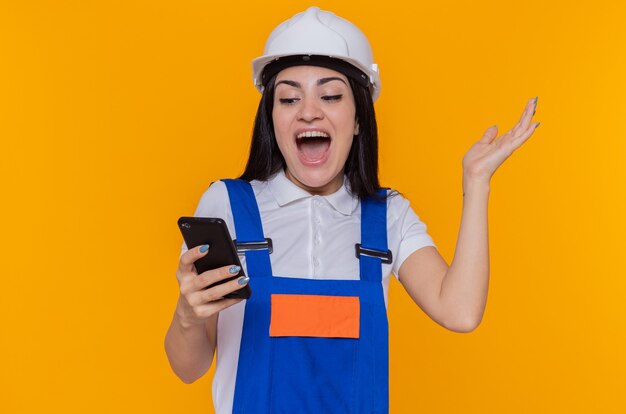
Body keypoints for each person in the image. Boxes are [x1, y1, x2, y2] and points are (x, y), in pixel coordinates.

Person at [164, 6, 539, 413]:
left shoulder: (386, 215)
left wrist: (477, 182)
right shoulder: (228, 205)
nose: (308, 110)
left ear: (359, 117)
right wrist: (187, 315)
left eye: (330, 95)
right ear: (271, 119)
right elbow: (188, 369)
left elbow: (461, 312)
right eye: (289, 98)